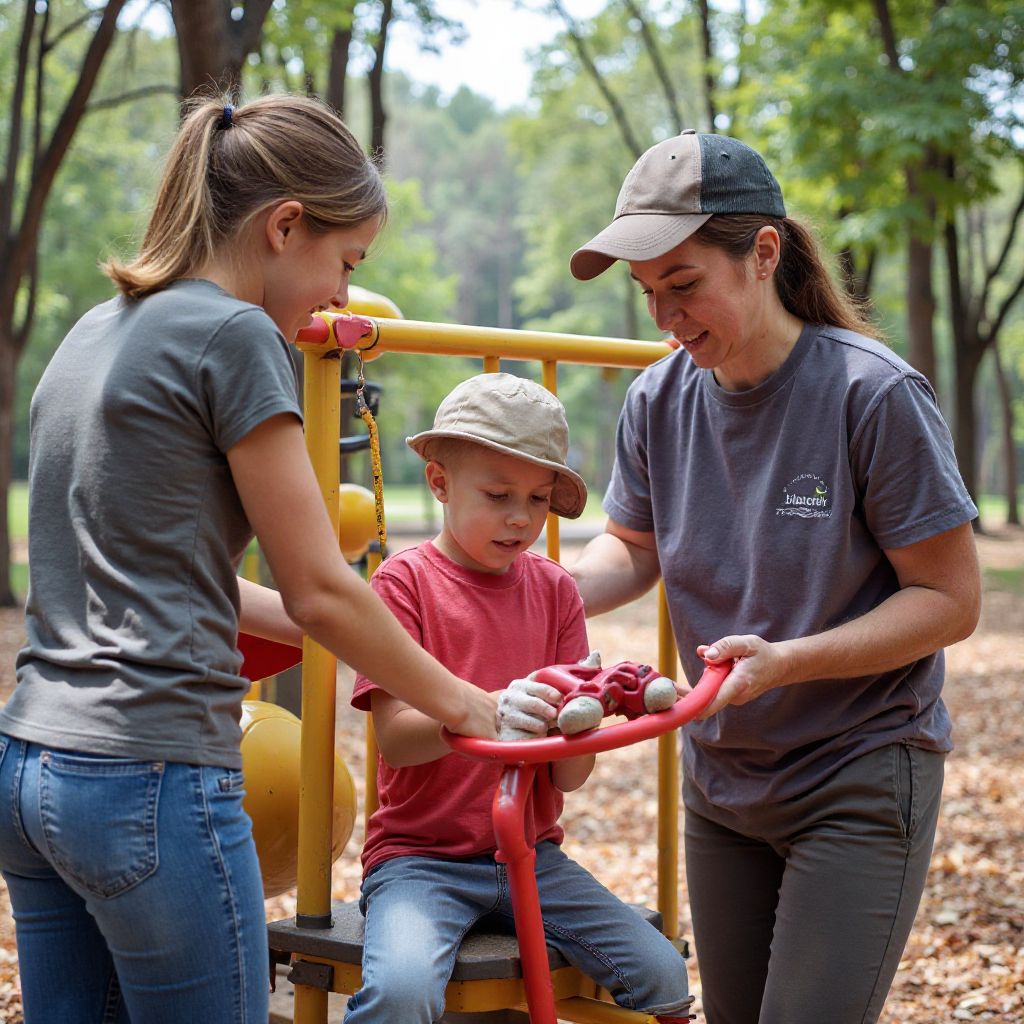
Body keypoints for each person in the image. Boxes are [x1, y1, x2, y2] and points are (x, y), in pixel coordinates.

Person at [0, 94, 502, 1024]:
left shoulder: (92, 332)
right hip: (150, 774)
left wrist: (365, 646)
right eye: (345, 262)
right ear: (284, 226)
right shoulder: (234, 335)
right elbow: (317, 588)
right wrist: (470, 703)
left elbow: (165, 565)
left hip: (32, 764)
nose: (343, 296)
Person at [567, 129, 981, 1024]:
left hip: (858, 769)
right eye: (649, 294)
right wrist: (535, 589)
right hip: (723, 781)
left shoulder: (873, 394)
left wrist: (786, 662)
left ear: (763, 254)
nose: (666, 317)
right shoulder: (658, 398)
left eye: (684, 285)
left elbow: (951, 601)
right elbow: (632, 549)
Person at [345, 371, 696, 1024]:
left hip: (533, 855)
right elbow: (395, 737)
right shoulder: (404, 585)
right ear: (439, 482)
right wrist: (488, 710)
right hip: (422, 861)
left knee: (662, 972)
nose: (520, 517)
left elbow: (571, 775)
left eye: (537, 499)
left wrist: (580, 721)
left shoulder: (556, 592)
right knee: (400, 992)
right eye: (499, 494)